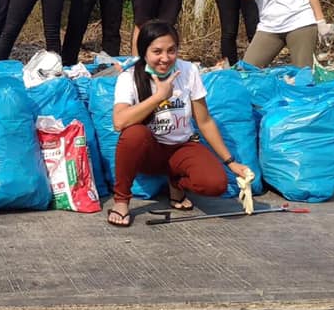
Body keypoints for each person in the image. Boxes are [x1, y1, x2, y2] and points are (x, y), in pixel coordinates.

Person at [108, 20, 252, 227]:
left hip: (181, 147)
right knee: (134, 134)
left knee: (216, 185)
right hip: (149, 151)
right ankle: (121, 201)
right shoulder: (128, 77)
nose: (165, 58)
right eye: (157, 51)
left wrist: (231, 162)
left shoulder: (189, 71)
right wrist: (159, 97)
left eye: (171, 50)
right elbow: (119, 122)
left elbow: (204, 121)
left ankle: (175, 181)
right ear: (144, 51)